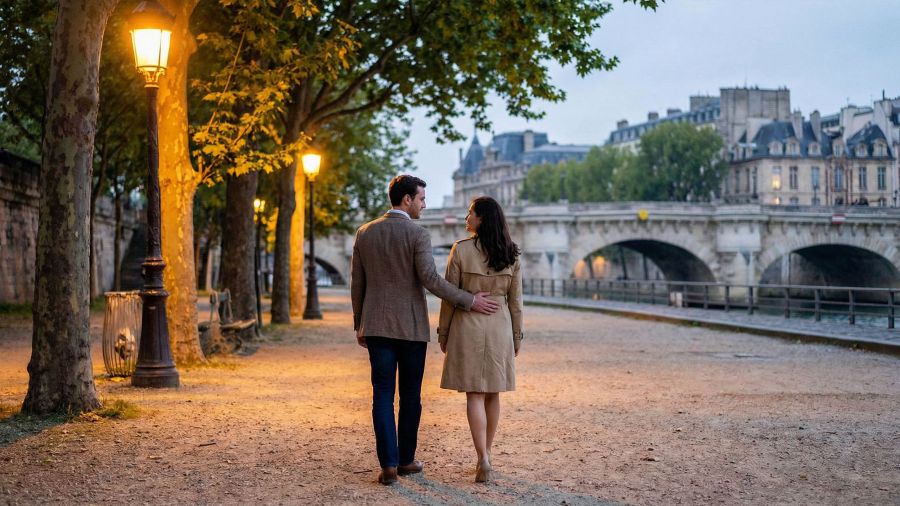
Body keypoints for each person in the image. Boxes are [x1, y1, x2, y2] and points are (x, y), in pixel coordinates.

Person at [351, 175, 500, 486]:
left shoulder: (364, 233)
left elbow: (357, 285)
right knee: (410, 396)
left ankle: (388, 464)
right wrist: (469, 300)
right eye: (421, 198)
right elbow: (432, 281)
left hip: (376, 326)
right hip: (411, 328)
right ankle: (406, 459)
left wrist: (359, 323)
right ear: (407, 200)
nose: (424, 204)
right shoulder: (418, 234)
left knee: (381, 395)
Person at [438, 196, 523, 483]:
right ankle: (488, 452)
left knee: (474, 394)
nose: (466, 217)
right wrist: (516, 336)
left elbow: (450, 296)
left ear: (482, 218)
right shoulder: (511, 253)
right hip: (500, 324)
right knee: (493, 393)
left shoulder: (460, 250)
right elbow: (516, 303)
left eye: (470, 213)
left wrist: (443, 332)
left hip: (467, 324)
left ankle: (481, 458)